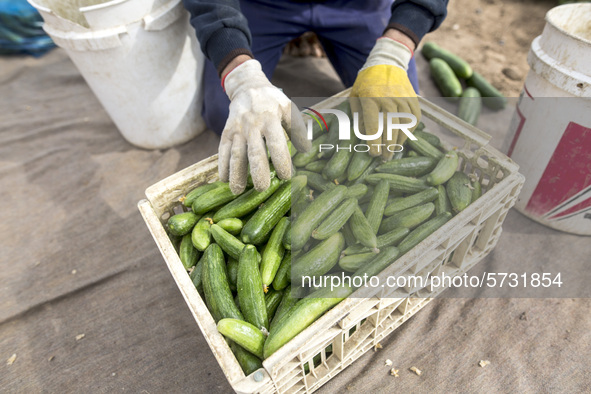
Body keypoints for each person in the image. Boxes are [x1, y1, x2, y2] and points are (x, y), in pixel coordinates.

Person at [182, 0, 448, 194]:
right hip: (263, 5)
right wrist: (239, 74)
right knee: (222, 112)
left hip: (357, 6)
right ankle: (287, 40)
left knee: (394, 114)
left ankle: (313, 39)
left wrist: (396, 46)